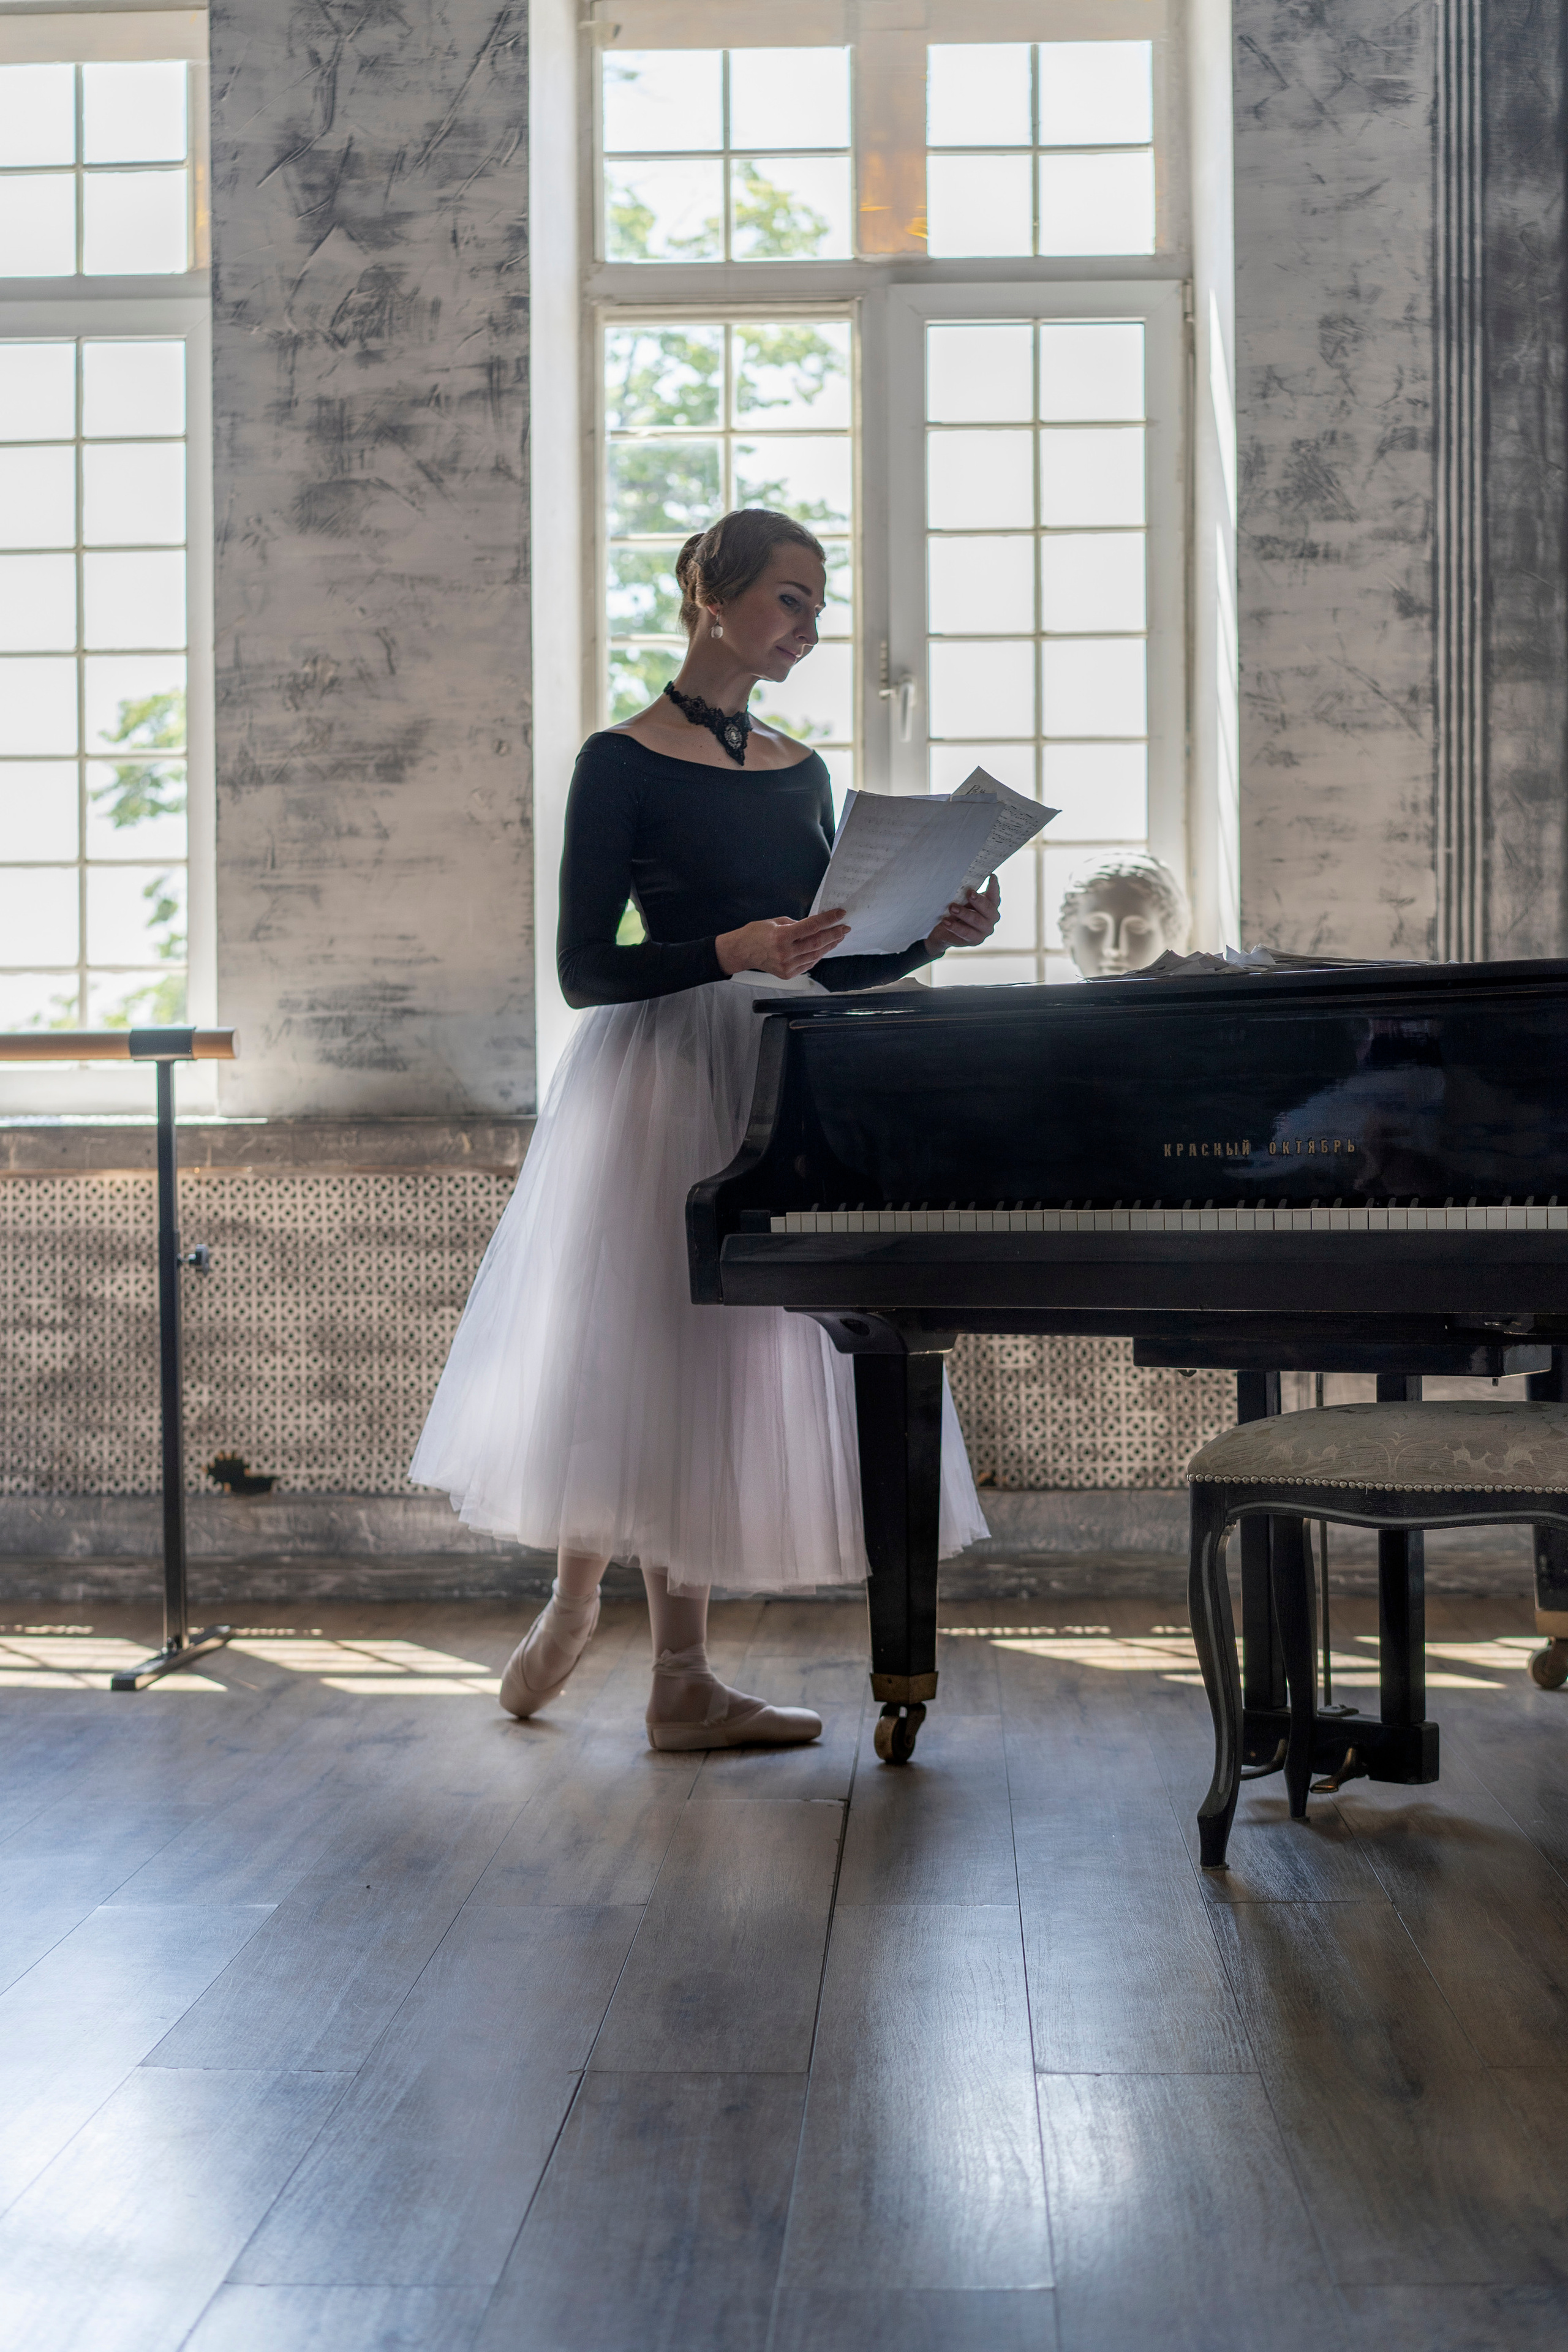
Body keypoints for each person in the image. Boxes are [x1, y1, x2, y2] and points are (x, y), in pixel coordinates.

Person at [412, 508, 999, 1751]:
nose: (809, 623)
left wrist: (922, 940)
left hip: (777, 1075)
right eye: (790, 597)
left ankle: (668, 1671)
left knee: (723, 1363)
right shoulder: (617, 761)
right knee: (641, 1341)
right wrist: (718, 949)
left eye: (817, 601)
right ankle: (594, 1610)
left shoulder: (804, 772)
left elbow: (822, 969)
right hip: (656, 1074)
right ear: (712, 599)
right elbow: (584, 969)